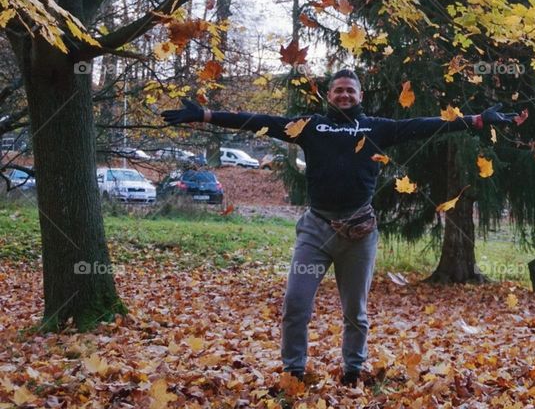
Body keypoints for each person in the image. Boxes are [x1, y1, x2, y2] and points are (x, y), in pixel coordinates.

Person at [161, 69, 516, 386]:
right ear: (329, 95)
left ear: (360, 96)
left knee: (355, 312)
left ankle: (352, 372)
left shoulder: (376, 128)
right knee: (296, 303)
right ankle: (293, 372)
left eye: (351, 90)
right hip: (316, 230)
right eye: (338, 90)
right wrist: (205, 114)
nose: (344, 95)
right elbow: (259, 121)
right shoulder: (311, 126)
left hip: (359, 233)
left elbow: (425, 124)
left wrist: (477, 119)